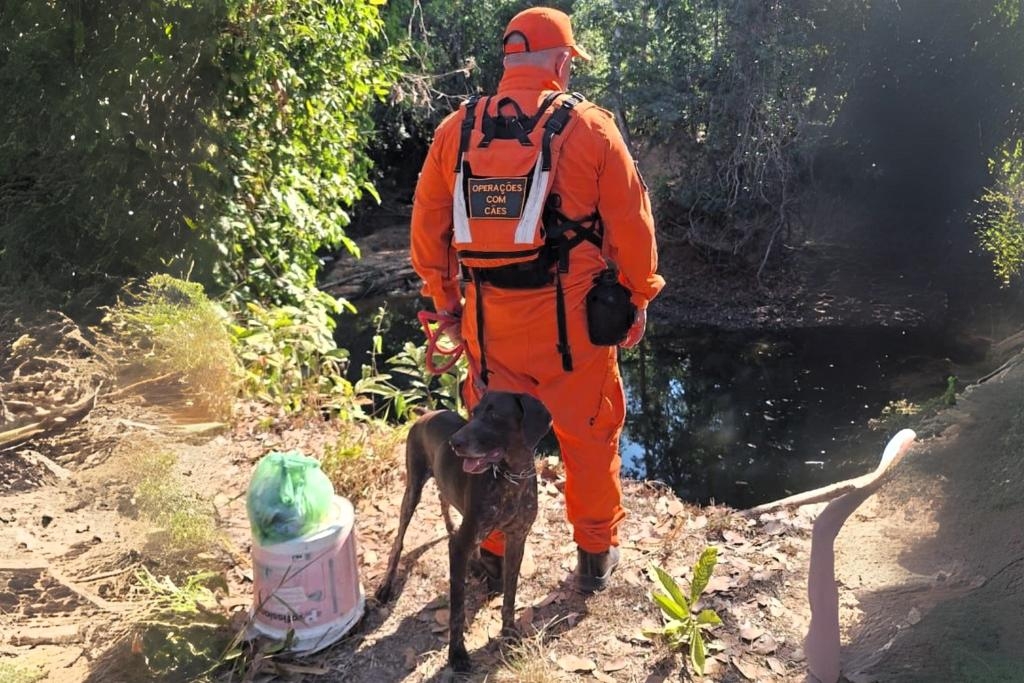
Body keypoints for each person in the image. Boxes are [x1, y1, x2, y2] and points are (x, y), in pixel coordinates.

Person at [410, 6, 664, 593]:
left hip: (487, 335)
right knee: (589, 438)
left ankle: (494, 555)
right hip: (572, 337)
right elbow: (632, 224)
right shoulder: (591, 128)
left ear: (508, 62)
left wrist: (445, 299)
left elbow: (428, 229)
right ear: (562, 60)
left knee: (491, 444)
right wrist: (638, 295)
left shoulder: (458, 130)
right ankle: (595, 560)